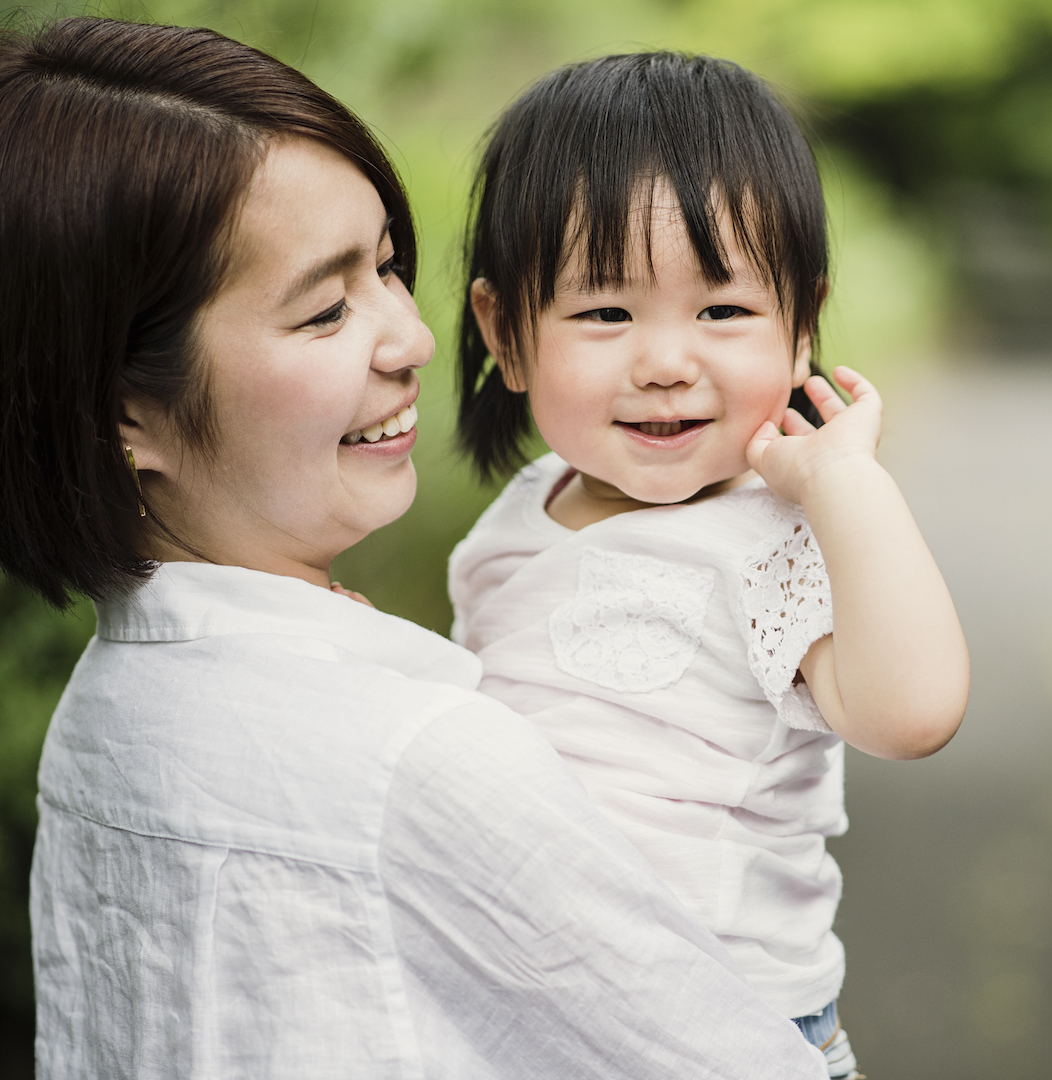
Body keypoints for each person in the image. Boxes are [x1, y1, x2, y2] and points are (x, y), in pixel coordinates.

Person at [0, 18, 839, 1080]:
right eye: (322, 311)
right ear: (126, 406)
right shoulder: (422, 762)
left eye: (388, 269)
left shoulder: (106, 718)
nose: (414, 338)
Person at [450, 53, 971, 1080]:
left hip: (726, 1037)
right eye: (605, 313)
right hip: (534, 1028)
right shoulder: (516, 521)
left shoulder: (776, 531)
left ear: (802, 324)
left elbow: (911, 711)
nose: (664, 361)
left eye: (723, 311)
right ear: (506, 334)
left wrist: (846, 485)